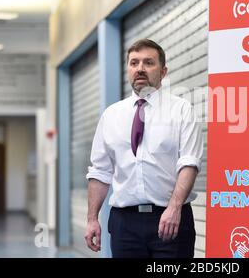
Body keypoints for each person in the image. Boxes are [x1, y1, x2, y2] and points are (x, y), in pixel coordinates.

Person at [84, 39, 203, 258]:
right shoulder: (111, 115)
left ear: (163, 71)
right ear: (128, 69)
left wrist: (174, 208)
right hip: (124, 224)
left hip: (170, 220)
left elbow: (189, 163)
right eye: (134, 63)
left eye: (149, 63)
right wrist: (92, 218)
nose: (140, 68)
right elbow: (100, 171)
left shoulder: (181, 110)